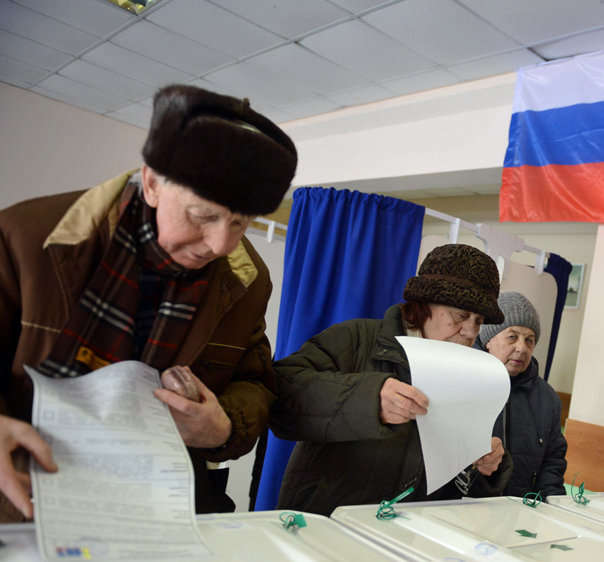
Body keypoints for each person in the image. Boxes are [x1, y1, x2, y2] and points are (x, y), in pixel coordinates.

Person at [0, 84, 297, 520]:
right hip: (23, 499)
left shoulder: (247, 280)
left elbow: (254, 381)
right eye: (202, 215)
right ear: (153, 182)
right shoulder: (25, 238)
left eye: (240, 222)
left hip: (157, 505)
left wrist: (225, 425)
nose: (219, 243)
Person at [269, 243, 513, 515]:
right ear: (424, 305)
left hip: (410, 536)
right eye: (461, 315)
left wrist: (487, 464)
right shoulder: (356, 338)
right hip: (325, 526)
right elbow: (280, 397)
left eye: (478, 321)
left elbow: (458, 485)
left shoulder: (473, 376)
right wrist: (369, 399)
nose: (470, 331)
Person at [476, 292, 567, 500]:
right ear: (488, 339)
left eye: (529, 340)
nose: (522, 348)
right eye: (512, 337)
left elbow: (552, 465)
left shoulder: (548, 399)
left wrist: (551, 511)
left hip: (522, 517)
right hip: (463, 514)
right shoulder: (462, 383)